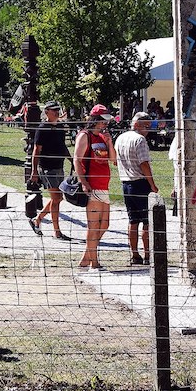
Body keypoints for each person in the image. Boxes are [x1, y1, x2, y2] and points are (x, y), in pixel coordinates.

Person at [73, 104, 116, 269]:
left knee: (104, 225)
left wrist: (110, 142)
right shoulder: (85, 136)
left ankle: (86, 256)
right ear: (95, 120)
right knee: (94, 225)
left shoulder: (102, 137)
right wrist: (83, 181)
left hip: (104, 186)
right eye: (103, 121)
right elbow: (77, 159)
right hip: (93, 186)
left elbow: (113, 160)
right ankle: (94, 261)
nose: (105, 124)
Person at [114, 111, 158, 265]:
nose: (148, 129)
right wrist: (152, 184)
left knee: (133, 221)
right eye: (146, 126)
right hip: (140, 183)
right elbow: (144, 163)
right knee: (147, 221)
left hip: (125, 183)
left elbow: (115, 161)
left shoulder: (120, 137)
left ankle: (134, 254)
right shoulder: (140, 140)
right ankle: (148, 255)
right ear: (138, 124)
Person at [29, 101, 73, 240]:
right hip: (47, 168)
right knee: (57, 198)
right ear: (46, 112)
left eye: (57, 109)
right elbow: (36, 150)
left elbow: (63, 146)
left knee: (57, 198)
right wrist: (34, 171)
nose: (57, 112)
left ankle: (37, 220)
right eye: (53, 110)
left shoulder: (60, 127)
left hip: (59, 166)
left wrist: (72, 160)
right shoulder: (42, 128)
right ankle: (57, 232)